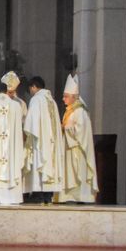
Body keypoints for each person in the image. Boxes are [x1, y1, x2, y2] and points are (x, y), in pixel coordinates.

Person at [56, 74, 98, 203]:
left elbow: (81, 130)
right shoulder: (70, 110)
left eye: (66, 96)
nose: (63, 99)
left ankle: (81, 196)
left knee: (77, 173)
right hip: (69, 147)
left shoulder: (80, 111)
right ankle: (67, 196)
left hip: (78, 150)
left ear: (74, 97)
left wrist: (65, 128)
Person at [23, 77, 64, 203]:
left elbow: (31, 123)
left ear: (34, 87)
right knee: (50, 166)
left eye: (30, 89)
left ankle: (38, 195)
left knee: (39, 163)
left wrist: (25, 128)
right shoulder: (52, 101)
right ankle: (48, 196)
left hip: (40, 141)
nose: (31, 92)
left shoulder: (36, 100)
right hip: (51, 142)